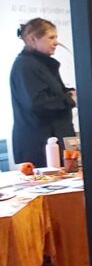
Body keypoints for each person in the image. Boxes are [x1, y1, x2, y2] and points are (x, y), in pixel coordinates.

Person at [10, 18, 76, 166]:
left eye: (56, 37)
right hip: (40, 145)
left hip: (52, 140)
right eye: (51, 37)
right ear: (33, 39)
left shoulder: (42, 64)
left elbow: (51, 94)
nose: (56, 42)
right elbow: (37, 103)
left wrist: (69, 93)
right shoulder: (25, 65)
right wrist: (69, 99)